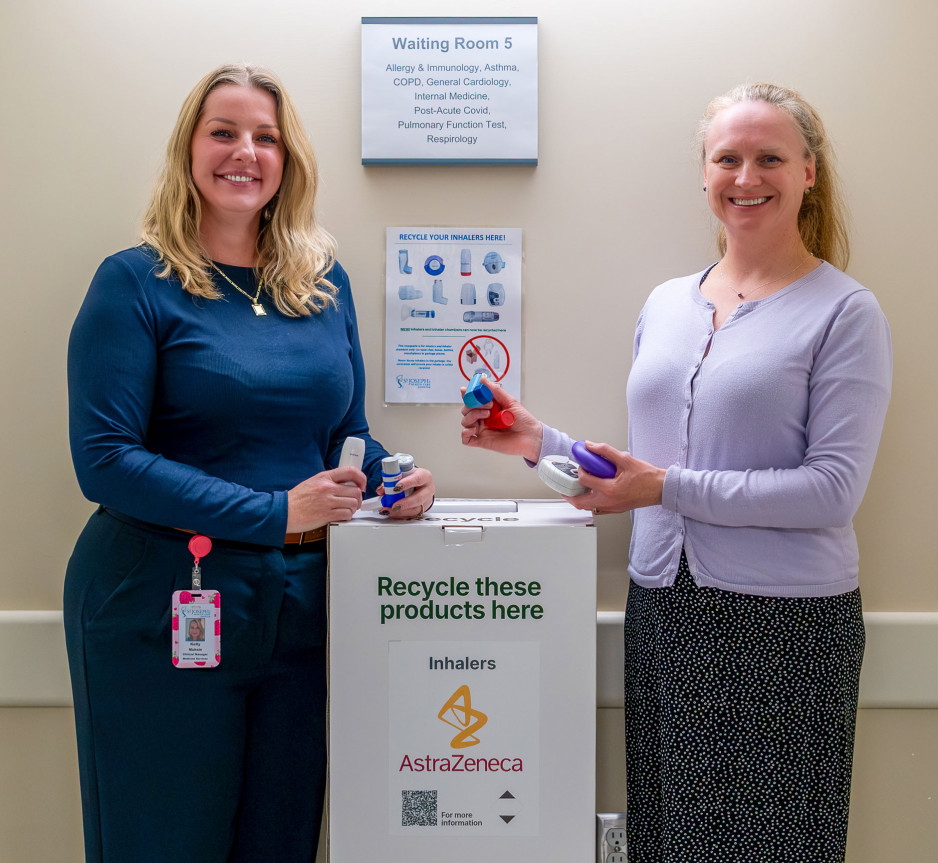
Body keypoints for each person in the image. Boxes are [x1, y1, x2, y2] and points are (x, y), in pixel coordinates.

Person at [461, 83, 891, 862]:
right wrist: (536, 441)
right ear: (704, 173)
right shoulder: (665, 304)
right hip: (665, 611)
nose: (745, 175)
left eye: (770, 157)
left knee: (771, 845)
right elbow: (634, 469)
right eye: (727, 157)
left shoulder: (844, 311)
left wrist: (662, 487)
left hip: (786, 627)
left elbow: (832, 489)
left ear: (808, 174)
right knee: (670, 838)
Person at [65, 63, 434, 863]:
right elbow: (104, 460)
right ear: (188, 151)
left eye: (266, 137)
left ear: (287, 159)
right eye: (224, 132)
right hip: (161, 601)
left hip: (300, 608)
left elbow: (344, 433)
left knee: (280, 839)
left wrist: (394, 474)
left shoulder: (320, 283)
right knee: (163, 840)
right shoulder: (135, 282)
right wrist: (274, 513)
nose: (246, 152)